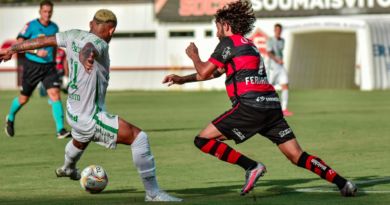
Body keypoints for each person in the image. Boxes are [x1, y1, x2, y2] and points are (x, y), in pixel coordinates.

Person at [162, 1, 356, 197]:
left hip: (249, 107)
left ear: (226, 26)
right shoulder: (248, 45)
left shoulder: (228, 43)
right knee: (297, 155)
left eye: (218, 27)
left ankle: (251, 166)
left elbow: (204, 72)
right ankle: (343, 183)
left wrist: (194, 56)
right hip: (271, 106)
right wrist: (182, 80)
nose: (217, 32)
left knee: (202, 140)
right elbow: (216, 72)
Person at [0, 9, 182, 202]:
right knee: (140, 139)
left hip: (73, 111)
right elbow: (89, 48)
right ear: (111, 31)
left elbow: (42, 41)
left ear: (90, 24)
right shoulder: (100, 44)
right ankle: (153, 193)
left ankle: (68, 168)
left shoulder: (71, 35)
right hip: (90, 116)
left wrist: (13, 49)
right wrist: (85, 57)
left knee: (80, 139)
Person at [4, 0, 70, 139]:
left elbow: (55, 46)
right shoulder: (30, 26)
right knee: (23, 99)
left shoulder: (54, 27)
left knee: (55, 94)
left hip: (49, 67)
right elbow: (19, 43)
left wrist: (57, 61)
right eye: (45, 11)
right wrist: (35, 51)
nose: (47, 14)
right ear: (40, 12)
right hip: (32, 66)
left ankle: (60, 130)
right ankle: (10, 117)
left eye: (49, 11)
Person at [266, 23, 293, 117]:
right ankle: (264, 108)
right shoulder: (270, 40)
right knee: (268, 87)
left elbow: (280, 53)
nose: (278, 32)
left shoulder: (282, 41)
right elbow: (269, 53)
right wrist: (277, 59)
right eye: (276, 30)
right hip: (273, 67)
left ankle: (284, 109)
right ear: (274, 31)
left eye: (279, 30)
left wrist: (280, 60)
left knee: (285, 85)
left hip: (280, 66)